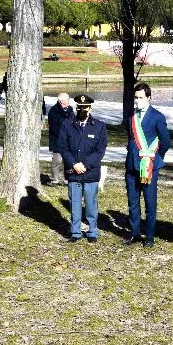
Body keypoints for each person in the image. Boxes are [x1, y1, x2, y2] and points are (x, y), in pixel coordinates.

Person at [123, 82, 170, 248]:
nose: (137, 101)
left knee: (150, 203)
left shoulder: (157, 116)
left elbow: (165, 141)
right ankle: (134, 232)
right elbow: (130, 137)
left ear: (148, 98)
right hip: (131, 166)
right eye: (135, 97)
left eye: (140, 98)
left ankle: (149, 236)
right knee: (133, 202)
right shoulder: (131, 116)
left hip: (149, 166)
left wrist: (153, 158)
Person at [58, 94, 108, 243]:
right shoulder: (67, 124)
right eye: (79, 107)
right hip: (73, 171)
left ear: (90, 108)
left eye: (85, 107)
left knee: (91, 203)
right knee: (74, 204)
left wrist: (85, 165)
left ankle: (92, 231)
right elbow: (63, 146)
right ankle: (75, 231)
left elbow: (100, 150)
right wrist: (74, 164)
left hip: (91, 172)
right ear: (76, 107)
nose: (82, 110)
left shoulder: (99, 126)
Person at [47, 93, 75, 186]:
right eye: (67, 99)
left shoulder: (70, 109)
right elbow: (54, 127)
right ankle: (55, 179)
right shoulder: (53, 111)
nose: (69, 101)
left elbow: (73, 123)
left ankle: (67, 179)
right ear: (62, 101)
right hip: (57, 140)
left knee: (68, 160)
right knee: (57, 160)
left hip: (69, 140)